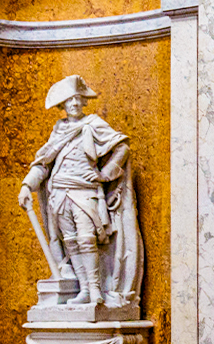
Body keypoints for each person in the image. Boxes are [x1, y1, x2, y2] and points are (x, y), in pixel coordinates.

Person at [17, 75, 143, 307]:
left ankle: (96, 291)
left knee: (87, 239)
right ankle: (84, 289)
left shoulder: (93, 124)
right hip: (59, 194)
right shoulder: (58, 131)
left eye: (77, 99)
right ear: (62, 106)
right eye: (69, 100)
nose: (74, 104)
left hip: (85, 192)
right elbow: (43, 164)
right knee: (71, 241)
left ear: (84, 101)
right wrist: (27, 185)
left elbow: (122, 147)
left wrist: (105, 174)